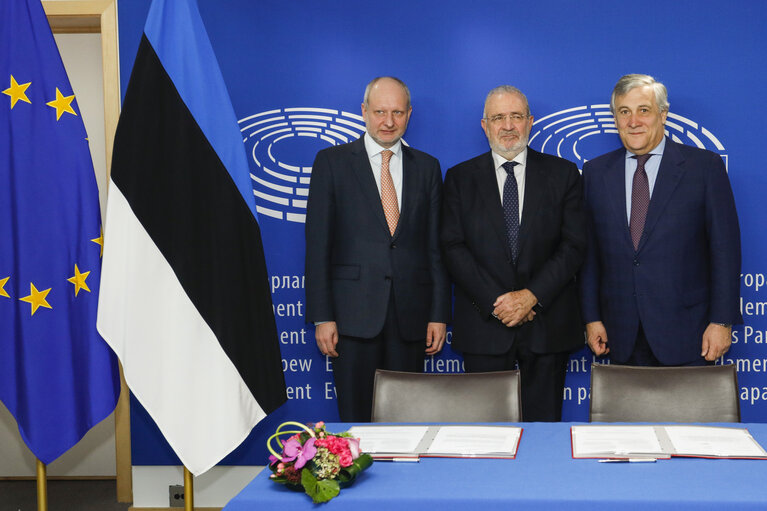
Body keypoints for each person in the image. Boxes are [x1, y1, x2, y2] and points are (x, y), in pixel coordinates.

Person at [305, 77, 450, 422]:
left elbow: (436, 249)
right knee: (356, 421)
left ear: (409, 114)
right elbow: (317, 245)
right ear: (364, 112)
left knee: (408, 420)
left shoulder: (427, 167)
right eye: (380, 111)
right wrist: (323, 316)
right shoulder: (332, 162)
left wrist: (439, 313)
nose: (388, 121)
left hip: (411, 319)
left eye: (397, 112)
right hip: (352, 318)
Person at [441, 85, 586, 421]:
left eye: (516, 117)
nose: (507, 126)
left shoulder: (563, 174)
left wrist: (531, 296)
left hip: (547, 326)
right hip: (484, 327)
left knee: (544, 434)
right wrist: (500, 302)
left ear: (530, 122)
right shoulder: (459, 178)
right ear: (484, 125)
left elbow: (574, 245)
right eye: (498, 118)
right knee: (485, 436)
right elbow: (452, 246)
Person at [580, 74, 741, 366]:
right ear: (615, 119)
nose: (633, 121)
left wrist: (722, 321)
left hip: (689, 333)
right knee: (625, 413)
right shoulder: (595, 173)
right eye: (624, 112)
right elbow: (590, 256)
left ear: (662, 115)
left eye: (644, 110)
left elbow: (725, 251)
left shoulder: (704, 168)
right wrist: (592, 318)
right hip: (620, 334)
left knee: (688, 413)